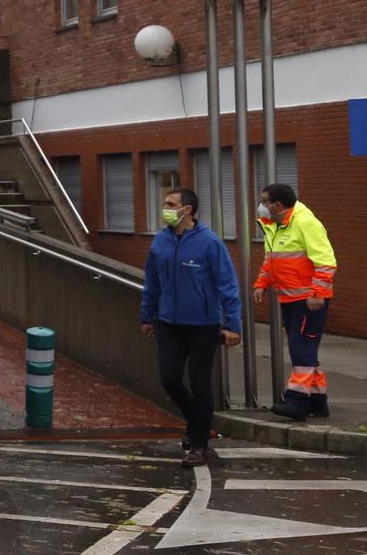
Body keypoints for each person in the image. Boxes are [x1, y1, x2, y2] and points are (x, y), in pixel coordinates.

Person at [140, 187, 241, 468]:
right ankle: (197, 423)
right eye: (165, 203)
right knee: (169, 380)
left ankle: (199, 444)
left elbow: (227, 284)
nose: (165, 208)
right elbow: (152, 283)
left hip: (203, 325)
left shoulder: (209, 243)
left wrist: (233, 324)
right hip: (169, 323)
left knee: (200, 384)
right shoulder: (160, 241)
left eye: (171, 204)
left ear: (188, 210)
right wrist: (147, 317)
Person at [253, 182, 337, 421]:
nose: (261, 205)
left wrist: (317, 293)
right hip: (290, 298)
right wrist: (262, 283)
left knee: (301, 348)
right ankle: (317, 401)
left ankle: (297, 401)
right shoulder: (275, 225)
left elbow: (325, 261)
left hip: (308, 300)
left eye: (265, 201)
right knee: (304, 348)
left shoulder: (305, 223)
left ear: (278, 205)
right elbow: (272, 259)